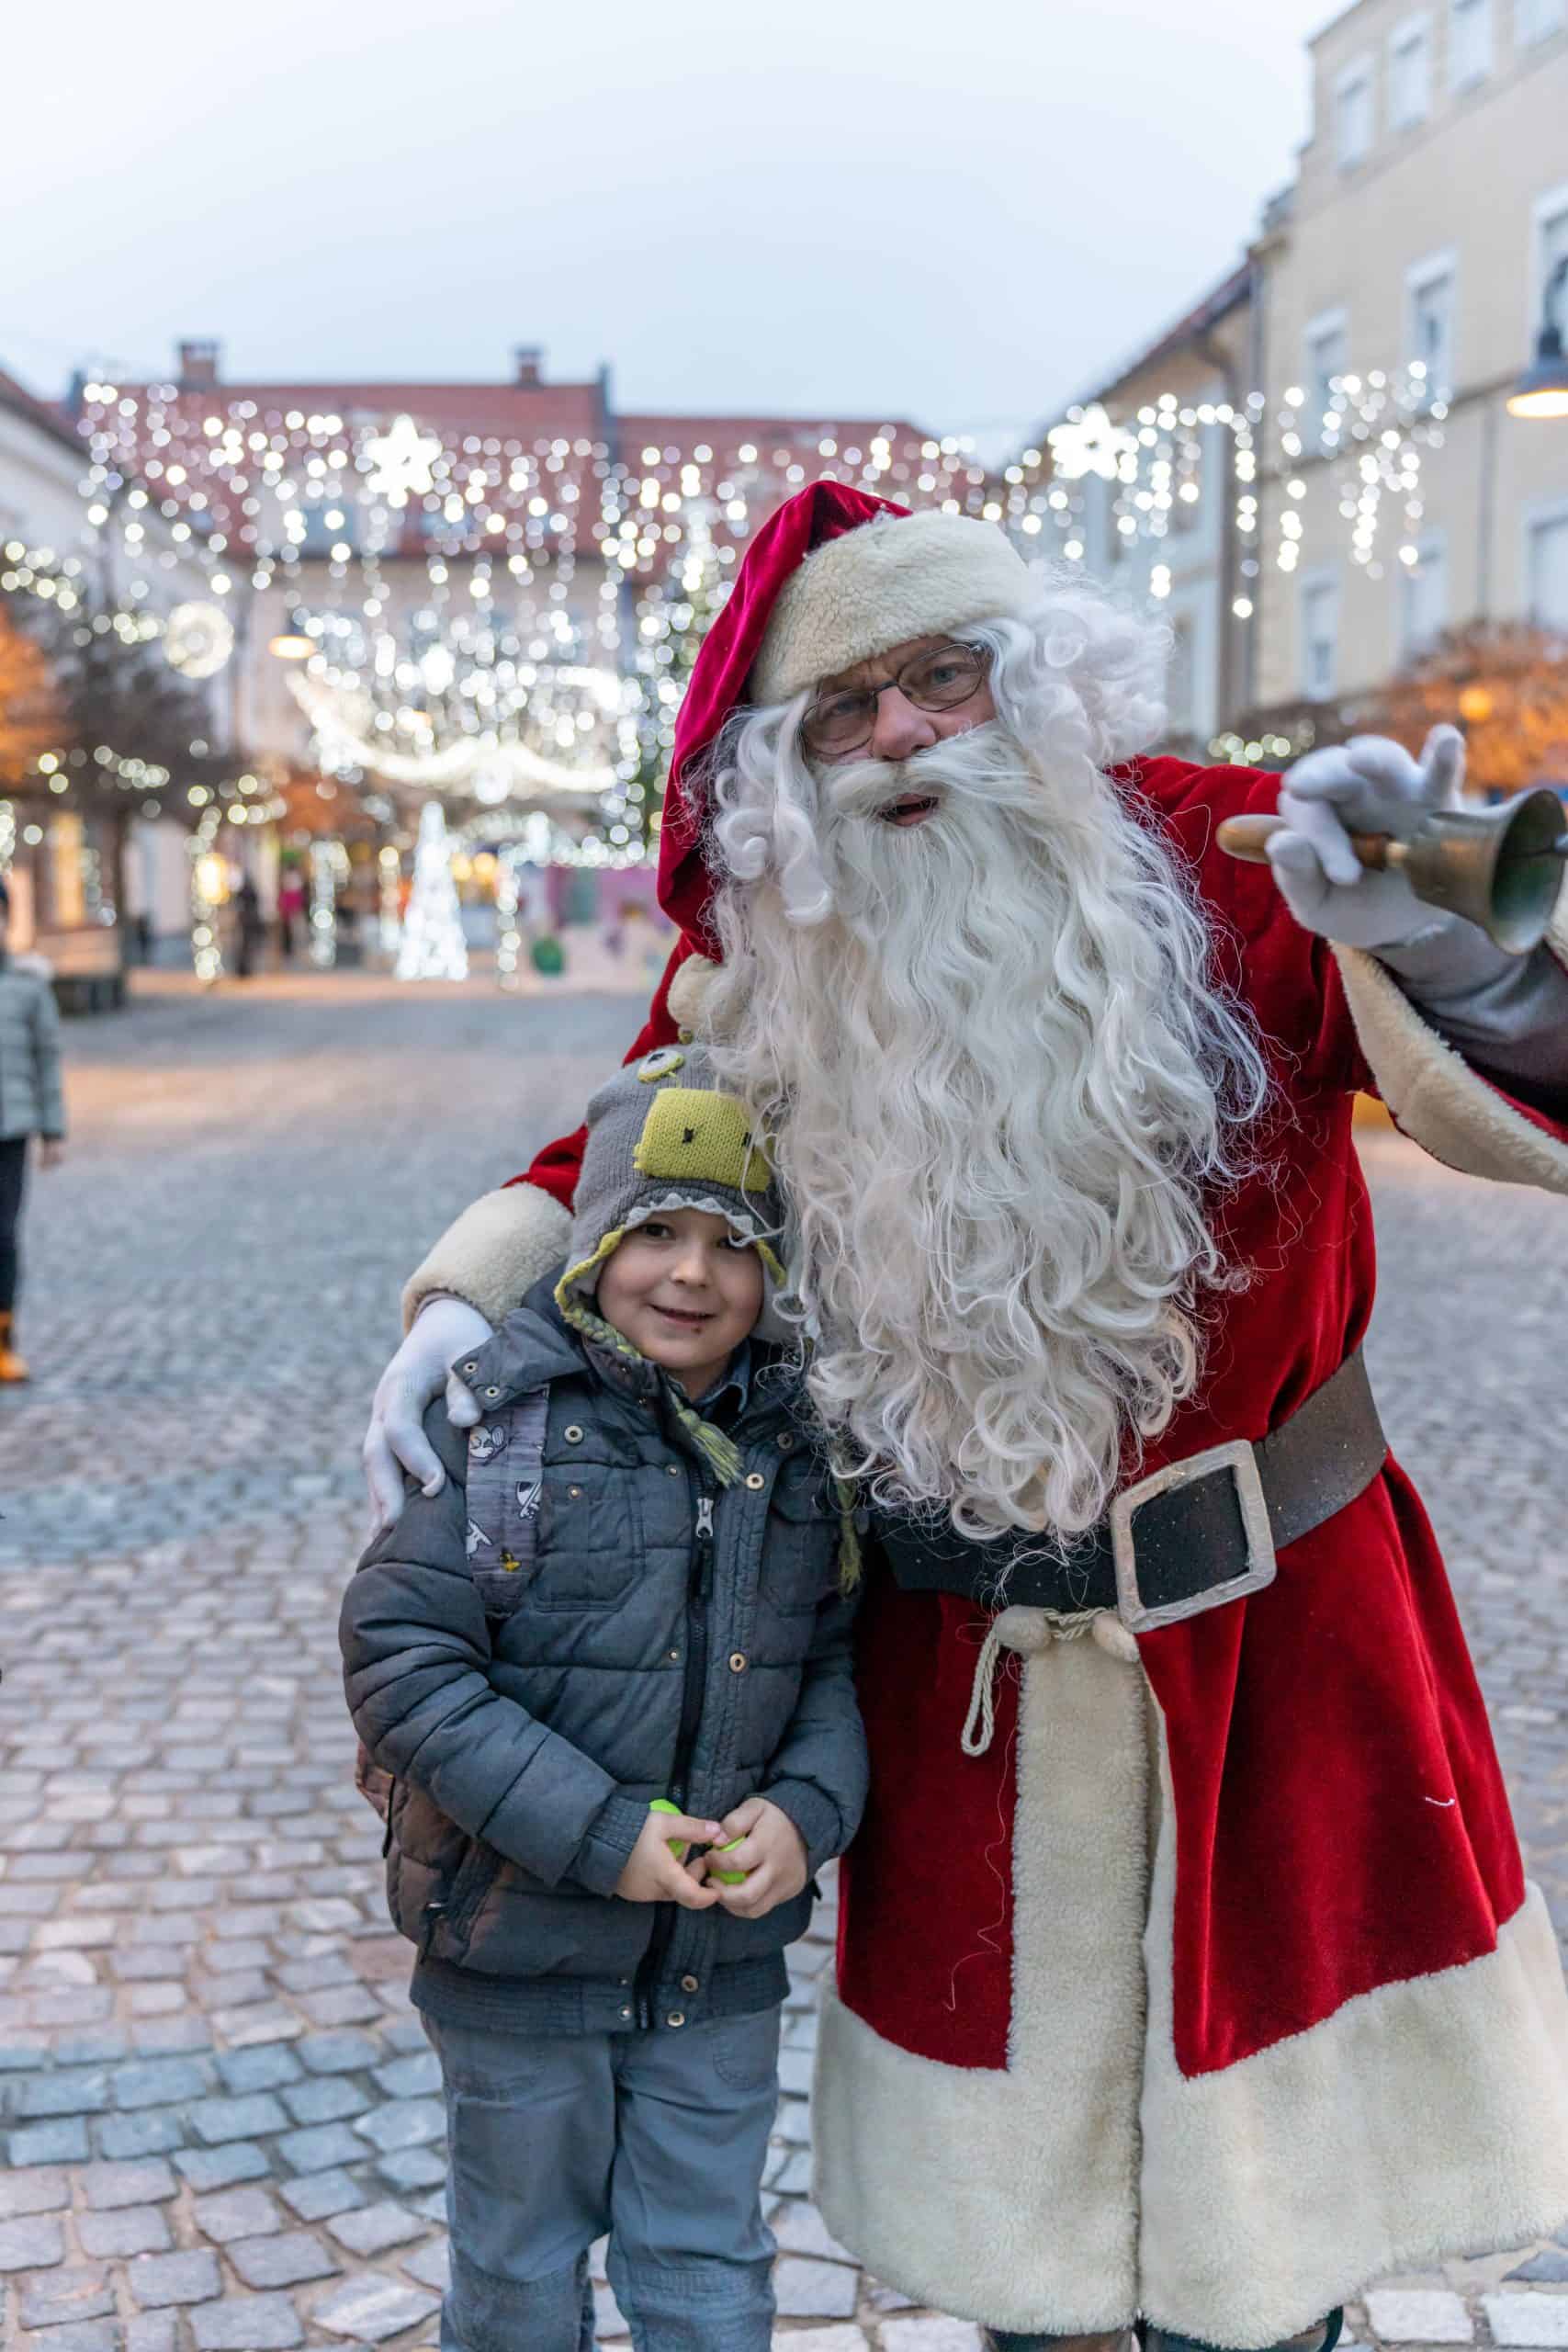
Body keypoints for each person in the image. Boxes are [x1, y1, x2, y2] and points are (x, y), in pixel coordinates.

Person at [364, 484, 1568, 2352]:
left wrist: (1452, 952)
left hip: (1277, 1651)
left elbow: (1516, 1090)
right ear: (788, 764)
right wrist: (470, 1293)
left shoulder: (1231, 850)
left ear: (1034, 676)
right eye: (844, 710)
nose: (903, 737)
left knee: (1264, 2264)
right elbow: (625, 1134)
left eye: (944, 676)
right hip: (955, 1675)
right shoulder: (785, 937)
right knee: (1021, 2262)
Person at [341, 1043, 866, 2352]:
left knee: (708, 2270)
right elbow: (403, 1660)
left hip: (714, 1969)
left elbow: (832, 1661)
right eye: (656, 1231)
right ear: (590, 1245)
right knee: (517, 2272)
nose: (691, 1273)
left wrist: (806, 1811)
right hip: (514, 1954)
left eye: (735, 1243)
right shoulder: (497, 1419)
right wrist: (603, 1834)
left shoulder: (797, 1447)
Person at [0, 878, 65, 1384]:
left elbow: (47, 1058)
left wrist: (53, 1129)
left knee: (2, 1235)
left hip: (10, 1130)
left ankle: (3, 1339)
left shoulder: (27, 987)